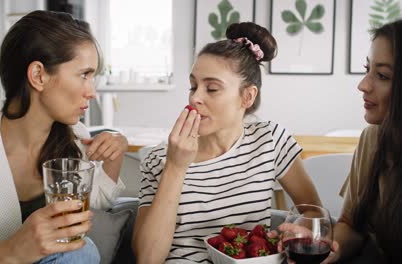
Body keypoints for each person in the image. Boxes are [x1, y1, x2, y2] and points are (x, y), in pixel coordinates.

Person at [132, 22, 322, 263]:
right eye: (193, 86)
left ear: (247, 97)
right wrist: (175, 167)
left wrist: (297, 232)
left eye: (211, 88)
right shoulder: (158, 159)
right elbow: (148, 258)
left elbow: (314, 213)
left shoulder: (271, 140)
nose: (195, 97)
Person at [279, 17, 402, 264]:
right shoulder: (373, 137)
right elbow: (352, 225)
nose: (363, 85)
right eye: (368, 70)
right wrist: (327, 249)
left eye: (383, 76)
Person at [0, 10, 127, 263]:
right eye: (84, 74)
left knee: (81, 250)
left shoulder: (75, 136)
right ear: (38, 75)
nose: (92, 92)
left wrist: (115, 151)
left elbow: (96, 201)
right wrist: (10, 251)